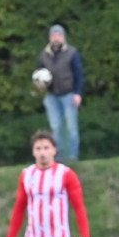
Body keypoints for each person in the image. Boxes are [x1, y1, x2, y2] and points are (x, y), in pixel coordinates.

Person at [36, 24, 84, 161]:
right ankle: (58, 157)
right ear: (50, 38)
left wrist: (78, 93)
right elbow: (40, 74)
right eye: (54, 35)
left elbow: (78, 74)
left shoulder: (72, 53)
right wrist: (41, 86)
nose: (56, 38)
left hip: (69, 94)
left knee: (71, 127)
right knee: (55, 128)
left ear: (63, 37)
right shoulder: (44, 55)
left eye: (59, 35)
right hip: (52, 96)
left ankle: (73, 156)